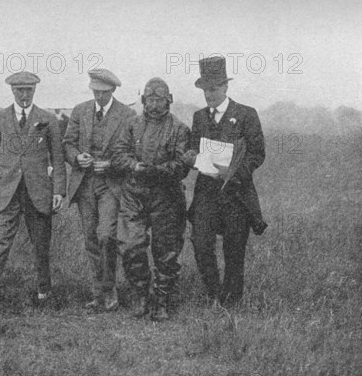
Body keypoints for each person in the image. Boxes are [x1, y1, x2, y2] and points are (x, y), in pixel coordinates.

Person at [0, 71, 66, 310]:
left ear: (34, 90)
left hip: (38, 192)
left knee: (41, 243)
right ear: (12, 91)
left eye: (29, 90)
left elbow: (57, 157)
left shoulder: (48, 119)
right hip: (7, 191)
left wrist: (59, 191)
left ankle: (44, 291)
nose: (24, 95)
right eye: (19, 90)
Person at [183, 56, 267, 308]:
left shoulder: (245, 114)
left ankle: (232, 301)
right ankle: (213, 294)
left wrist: (234, 171)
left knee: (234, 249)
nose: (209, 94)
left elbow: (257, 153)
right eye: (205, 90)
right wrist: (190, 158)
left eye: (214, 89)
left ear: (225, 87)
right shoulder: (199, 117)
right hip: (206, 193)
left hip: (236, 194)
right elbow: (193, 149)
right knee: (201, 243)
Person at [112, 78, 190, 321]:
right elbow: (118, 154)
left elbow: (182, 164)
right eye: (150, 99)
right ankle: (141, 294)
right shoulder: (131, 125)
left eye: (159, 100)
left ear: (168, 101)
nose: (154, 105)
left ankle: (162, 299)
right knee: (129, 245)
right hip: (134, 193)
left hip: (166, 195)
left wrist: (158, 171)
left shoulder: (180, 129)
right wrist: (134, 165)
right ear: (143, 100)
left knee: (166, 250)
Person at [63, 69, 135, 311]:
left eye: (104, 92)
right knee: (91, 239)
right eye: (95, 91)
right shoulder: (80, 110)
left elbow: (133, 153)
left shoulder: (127, 114)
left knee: (106, 235)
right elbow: (68, 144)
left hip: (110, 186)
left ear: (113, 90)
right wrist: (76, 157)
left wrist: (112, 165)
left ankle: (109, 289)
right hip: (84, 184)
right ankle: (98, 293)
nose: (99, 97)